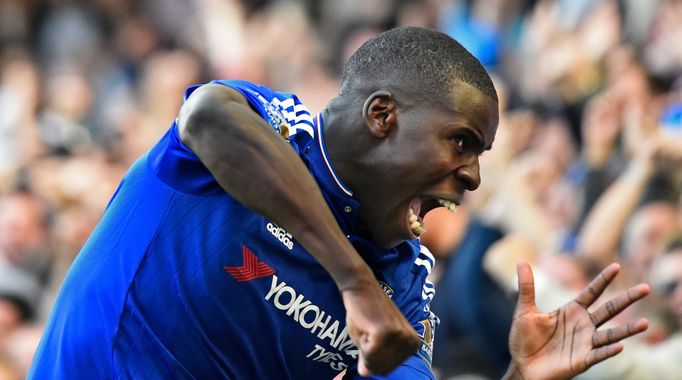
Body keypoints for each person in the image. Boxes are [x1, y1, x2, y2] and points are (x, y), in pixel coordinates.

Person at [29, 27, 649, 379]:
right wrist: (352, 283)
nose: (475, 177)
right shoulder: (267, 130)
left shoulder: (405, 285)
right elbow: (207, 119)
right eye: (461, 142)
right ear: (383, 115)